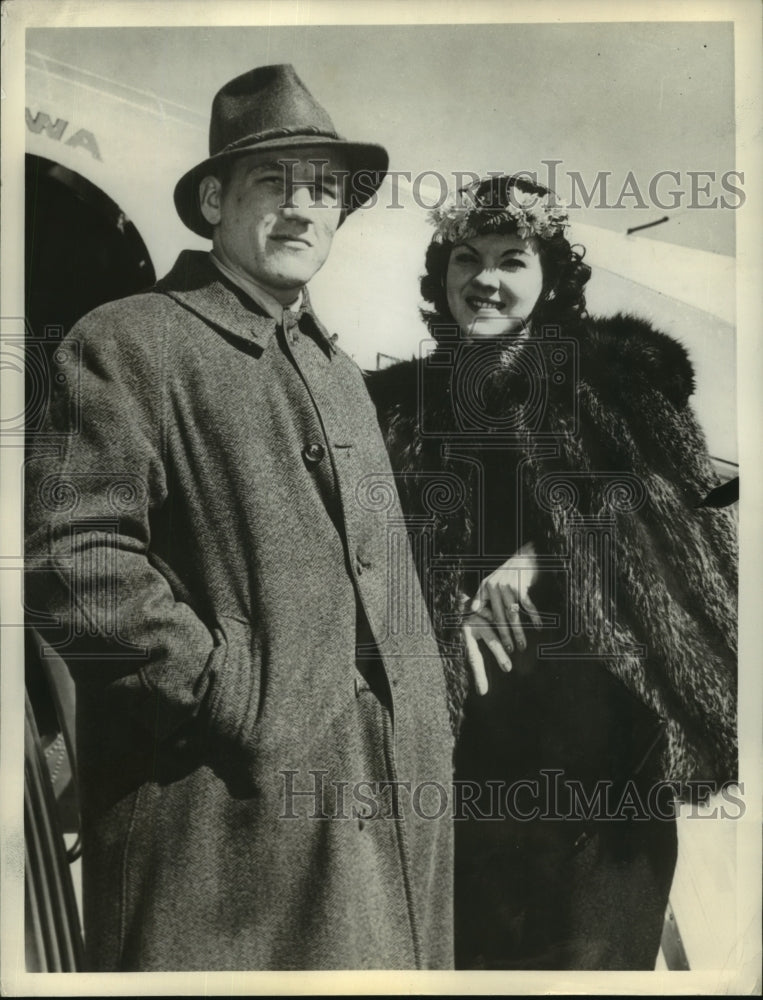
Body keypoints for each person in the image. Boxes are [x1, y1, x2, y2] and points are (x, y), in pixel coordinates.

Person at [24, 64, 455, 972]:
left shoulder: (338, 373)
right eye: (273, 181)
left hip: (382, 825)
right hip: (222, 839)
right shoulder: (128, 339)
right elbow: (68, 559)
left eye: (323, 189)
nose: (302, 207)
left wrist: (424, 719)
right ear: (214, 200)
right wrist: (231, 697)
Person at [368, 173, 738, 970]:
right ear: (440, 274)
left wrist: (538, 558)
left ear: (551, 278)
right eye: (466, 258)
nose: (485, 279)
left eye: (512, 260)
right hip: (467, 775)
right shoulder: (396, 409)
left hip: (599, 776)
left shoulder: (617, 381)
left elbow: (682, 525)